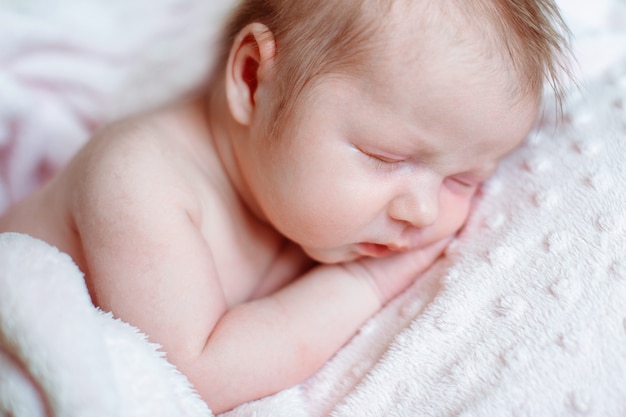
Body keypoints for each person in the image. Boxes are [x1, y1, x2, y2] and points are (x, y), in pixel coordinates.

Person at [0, 0, 570, 413]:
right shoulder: (138, 178)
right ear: (253, 79)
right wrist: (367, 284)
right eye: (385, 155)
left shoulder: (298, 197)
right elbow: (193, 369)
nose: (423, 212)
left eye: (465, 180)